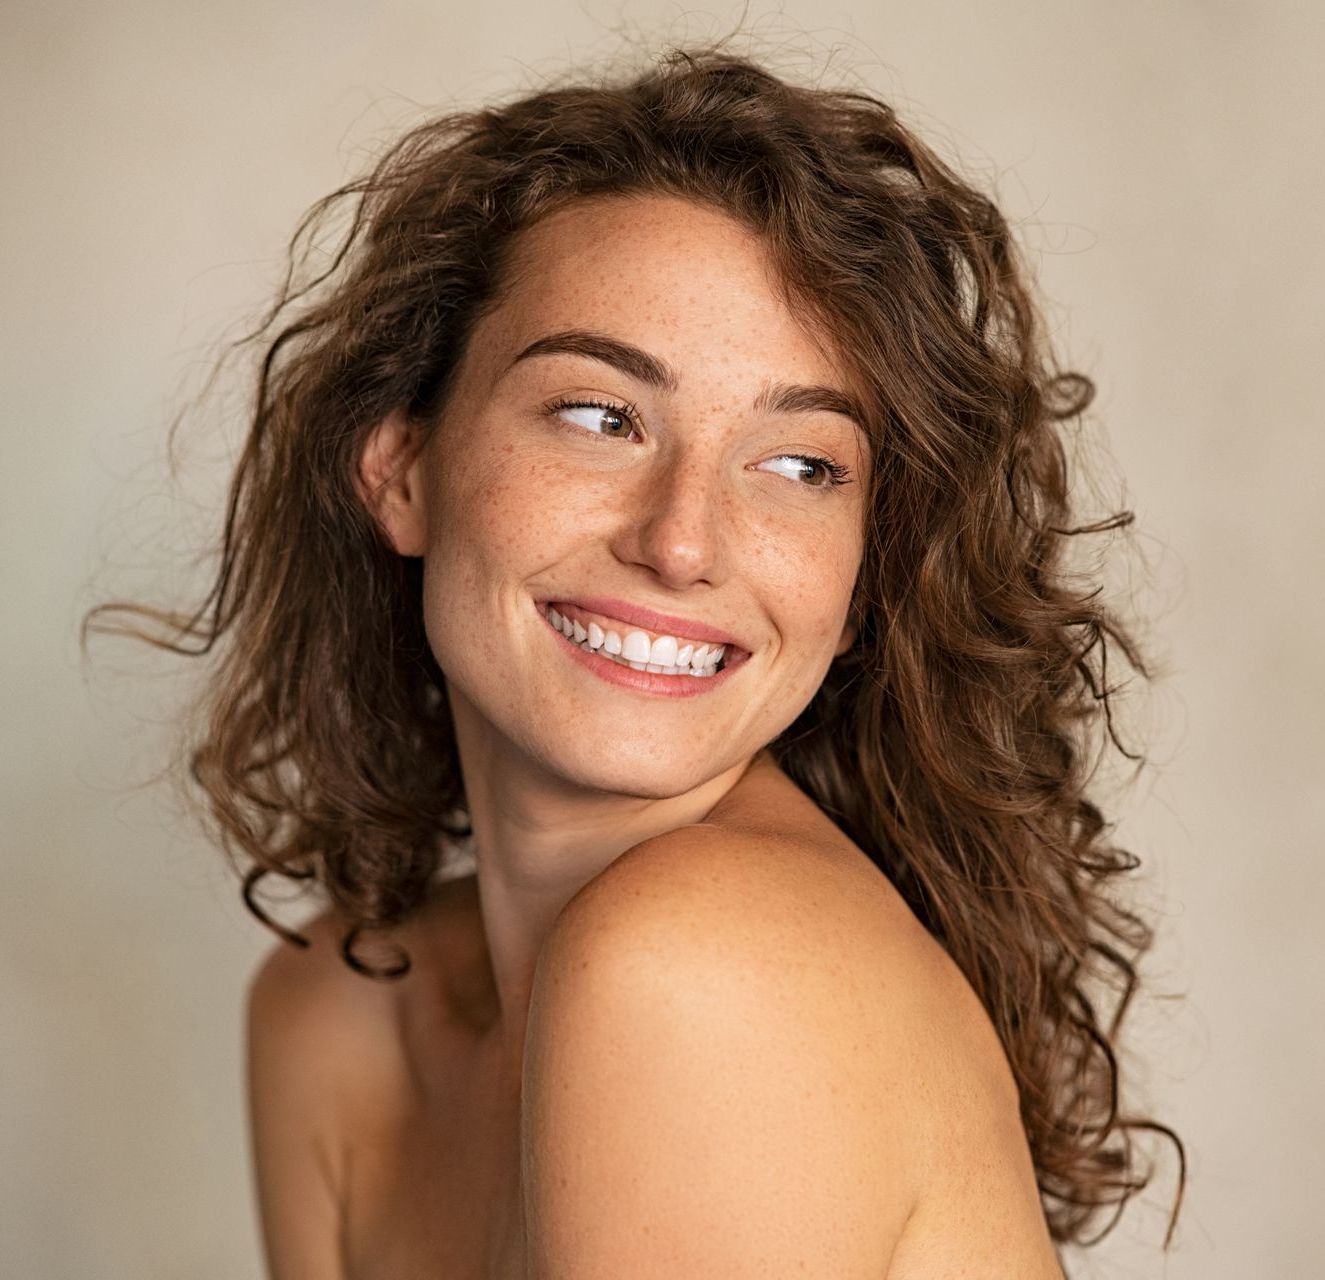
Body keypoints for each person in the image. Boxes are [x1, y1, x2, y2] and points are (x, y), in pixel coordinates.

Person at [88, 42, 1184, 1278]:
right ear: (400, 466)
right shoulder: (332, 1012)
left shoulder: (700, 963)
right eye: (601, 416)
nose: (679, 542)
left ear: (864, 566)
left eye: (799, 464)